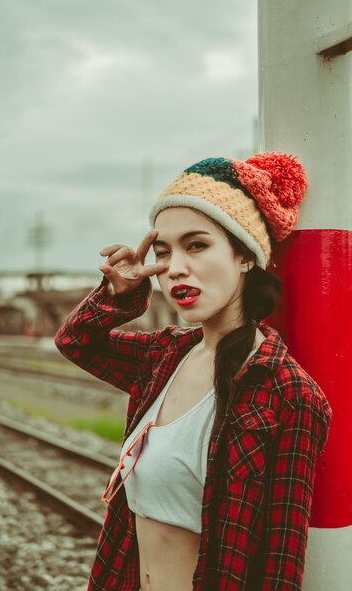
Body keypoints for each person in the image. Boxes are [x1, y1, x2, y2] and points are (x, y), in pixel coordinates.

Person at [54, 152, 332, 591]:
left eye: (197, 245)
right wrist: (119, 293)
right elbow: (76, 341)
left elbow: (280, 565)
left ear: (245, 257)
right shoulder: (165, 355)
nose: (175, 267)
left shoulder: (286, 393)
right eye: (163, 252)